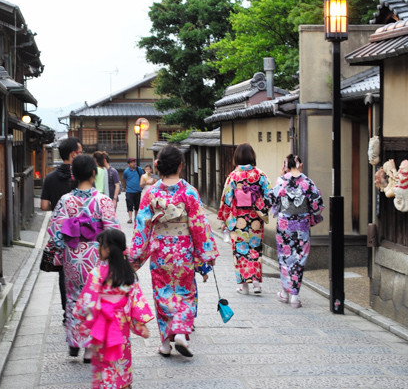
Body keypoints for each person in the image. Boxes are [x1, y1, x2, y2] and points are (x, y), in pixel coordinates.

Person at [129, 144, 218, 358]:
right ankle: (181, 333)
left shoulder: (150, 192)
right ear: (181, 165)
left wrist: (134, 256)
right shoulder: (189, 191)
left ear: (158, 165)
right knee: (185, 293)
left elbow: (142, 226)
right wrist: (205, 256)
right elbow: (199, 225)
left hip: (160, 251)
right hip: (184, 250)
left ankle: (166, 344)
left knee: (162, 293)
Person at [72, 228, 154, 389]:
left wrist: (81, 317)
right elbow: (135, 300)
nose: (97, 249)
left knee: (105, 355)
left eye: (100, 246)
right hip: (121, 321)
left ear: (108, 249)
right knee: (122, 352)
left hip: (103, 320)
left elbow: (88, 298)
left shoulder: (97, 273)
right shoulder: (128, 274)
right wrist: (140, 324)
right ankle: (124, 386)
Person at [47, 154, 119, 359]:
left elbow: (56, 231)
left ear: (74, 174)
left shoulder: (65, 200)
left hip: (73, 255)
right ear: (94, 174)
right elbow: (113, 231)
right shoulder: (102, 201)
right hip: (96, 256)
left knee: (73, 298)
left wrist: (59, 256)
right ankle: (89, 348)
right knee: (94, 299)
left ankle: (74, 339)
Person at [269, 154, 324, 308]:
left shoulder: (281, 181)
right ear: (300, 164)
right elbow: (317, 204)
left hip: (284, 225)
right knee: (299, 258)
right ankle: (294, 296)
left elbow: (272, 200)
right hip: (301, 225)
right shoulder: (307, 182)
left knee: (285, 257)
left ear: (285, 165)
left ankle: (285, 292)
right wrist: (308, 215)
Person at [217, 143, 272, 295]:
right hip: (255, 219)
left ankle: (244, 286)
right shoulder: (260, 174)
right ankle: (256, 283)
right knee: (254, 250)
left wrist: (224, 218)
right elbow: (269, 195)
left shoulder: (233, 176)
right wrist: (261, 207)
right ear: (252, 156)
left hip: (237, 219)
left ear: (236, 157)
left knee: (240, 252)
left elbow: (226, 198)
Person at [40, 137, 82, 328]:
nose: (81, 155)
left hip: (62, 234)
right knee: (84, 272)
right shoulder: (81, 176)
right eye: (80, 152)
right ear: (73, 153)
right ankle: (83, 311)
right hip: (83, 234)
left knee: (64, 274)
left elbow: (43, 205)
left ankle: (68, 313)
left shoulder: (50, 177)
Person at [122, 157, 142, 224]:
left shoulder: (139, 169)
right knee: (129, 204)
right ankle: (130, 218)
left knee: (137, 205)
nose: (133, 163)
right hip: (129, 191)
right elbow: (124, 179)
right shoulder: (126, 171)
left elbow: (142, 177)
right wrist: (125, 187)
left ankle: (135, 218)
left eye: (134, 162)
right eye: (132, 162)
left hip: (138, 190)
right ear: (128, 164)